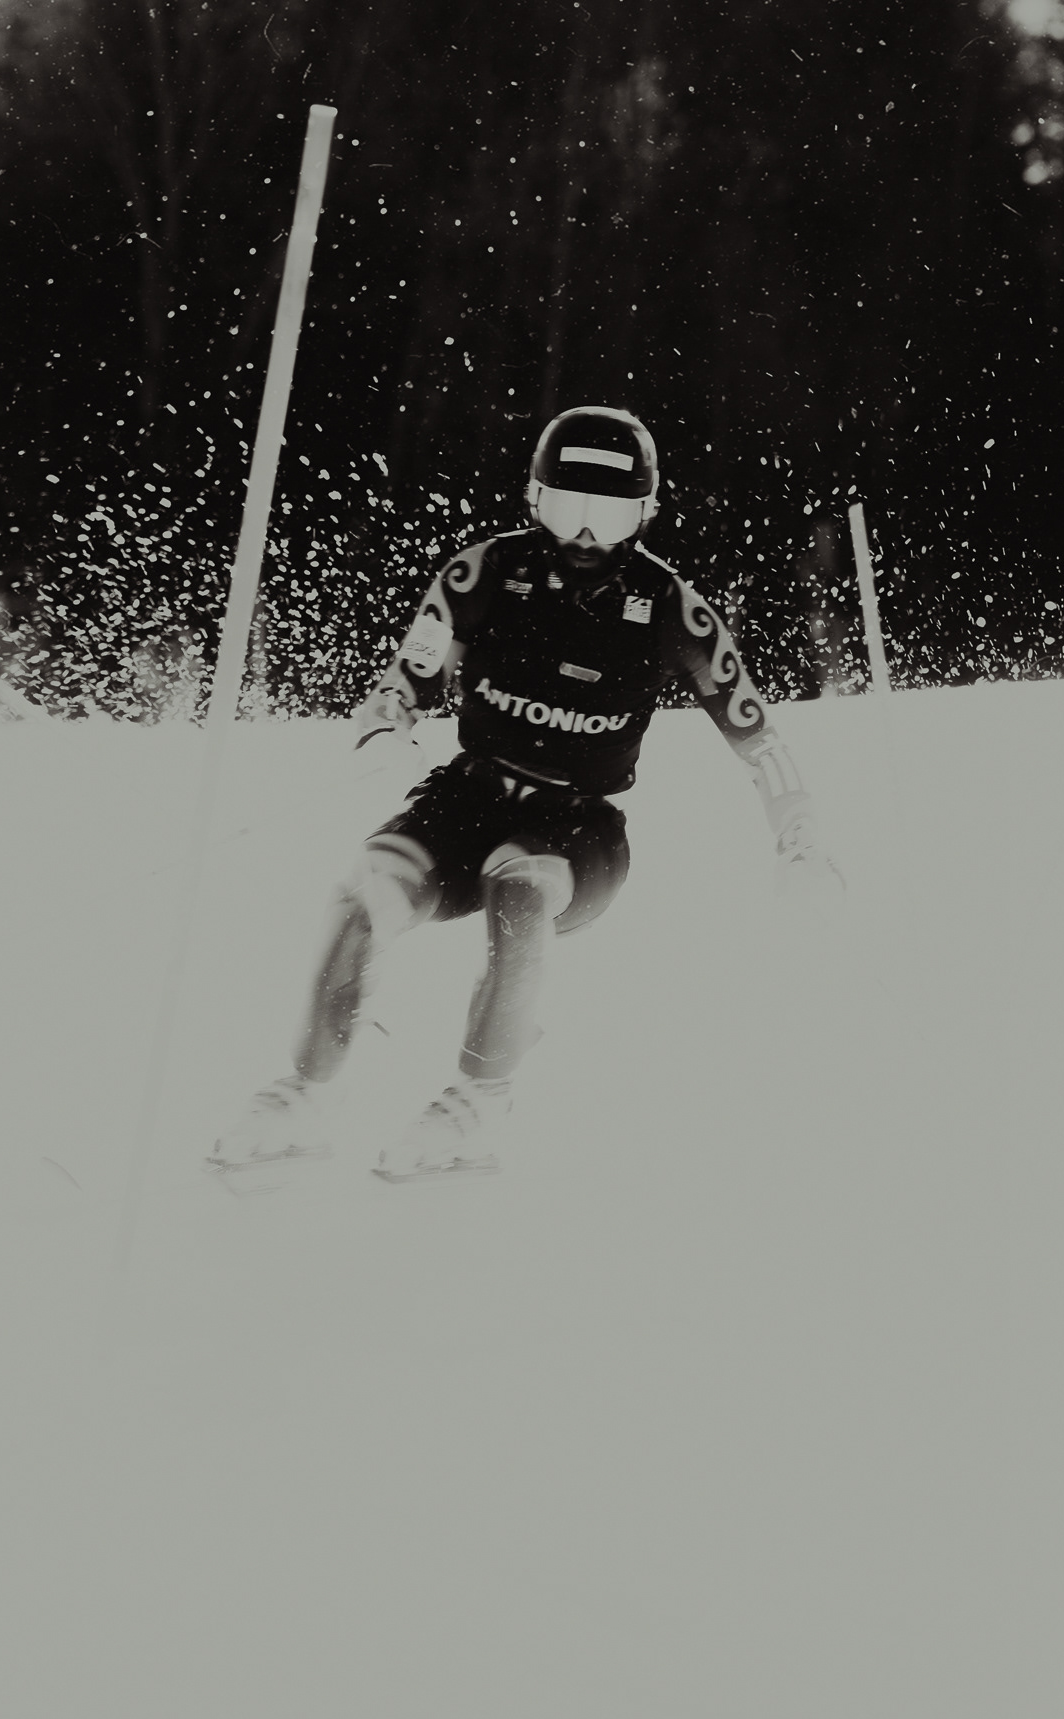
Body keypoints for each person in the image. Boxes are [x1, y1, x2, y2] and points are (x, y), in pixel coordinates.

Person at [208, 406, 840, 1183]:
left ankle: (479, 1101)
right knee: (364, 894)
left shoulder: (673, 608)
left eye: (608, 515)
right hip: (466, 795)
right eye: (568, 509)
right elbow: (405, 678)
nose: (585, 536)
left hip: (576, 826)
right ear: (535, 498)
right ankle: (307, 1093)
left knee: (518, 884)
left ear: (644, 512)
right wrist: (383, 731)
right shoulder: (482, 573)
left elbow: (757, 736)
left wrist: (798, 833)